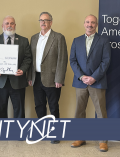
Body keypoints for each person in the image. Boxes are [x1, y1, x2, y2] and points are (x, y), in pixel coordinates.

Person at [70, 14, 111, 152]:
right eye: (87, 22)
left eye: (93, 22)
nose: (90, 24)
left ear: (96, 25)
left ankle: (103, 141)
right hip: (80, 82)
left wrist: (93, 77)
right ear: (84, 24)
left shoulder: (104, 40)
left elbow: (106, 61)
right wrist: (82, 76)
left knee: (100, 112)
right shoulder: (76, 41)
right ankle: (80, 138)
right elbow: (73, 61)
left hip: (97, 82)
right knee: (79, 111)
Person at [27, 12, 68, 144]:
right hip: (36, 77)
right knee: (39, 106)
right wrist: (30, 76)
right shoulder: (34, 38)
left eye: (46, 20)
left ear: (51, 22)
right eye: (41, 20)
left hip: (53, 78)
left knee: (53, 106)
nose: (43, 22)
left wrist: (59, 79)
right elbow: (31, 59)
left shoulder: (58, 37)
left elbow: (62, 59)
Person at [0, 16, 31, 118]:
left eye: (12, 23)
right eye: (7, 23)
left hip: (18, 81)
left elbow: (28, 58)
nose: (9, 25)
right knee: (1, 110)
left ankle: (18, 132)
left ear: (15, 25)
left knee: (19, 111)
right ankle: (3, 132)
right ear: (2, 26)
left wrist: (22, 69)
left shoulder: (24, 40)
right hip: (0, 82)